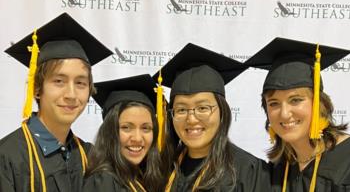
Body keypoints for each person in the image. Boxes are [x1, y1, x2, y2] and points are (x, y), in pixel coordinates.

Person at [0, 12, 113, 192]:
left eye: (81, 83)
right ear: (37, 87)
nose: (71, 94)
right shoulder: (7, 157)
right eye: (59, 81)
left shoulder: (90, 157)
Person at [155, 43, 271, 191]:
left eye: (203, 108)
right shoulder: (164, 168)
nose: (191, 119)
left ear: (222, 112)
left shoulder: (250, 171)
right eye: (181, 109)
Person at [245, 37, 350, 191]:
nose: (285, 114)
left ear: (319, 104)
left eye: (295, 100)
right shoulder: (279, 168)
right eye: (274, 103)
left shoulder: (346, 161)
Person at [83, 74, 163, 192]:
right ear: (109, 132)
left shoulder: (140, 177)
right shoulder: (103, 181)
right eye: (126, 128)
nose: (137, 138)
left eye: (146, 128)